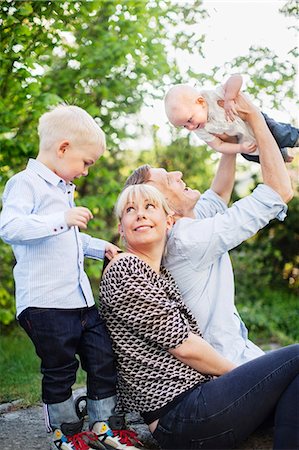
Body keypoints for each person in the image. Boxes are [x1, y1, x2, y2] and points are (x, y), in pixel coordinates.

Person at [99, 182, 299, 450]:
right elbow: (184, 345)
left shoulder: (161, 274)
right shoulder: (126, 267)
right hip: (181, 414)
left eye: (150, 207)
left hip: (198, 407)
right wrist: (243, 377)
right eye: (130, 210)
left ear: (169, 221)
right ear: (122, 229)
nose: (141, 214)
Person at [0, 105, 137, 450]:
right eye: (86, 162)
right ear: (63, 148)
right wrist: (62, 218)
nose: (86, 171)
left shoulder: (63, 188)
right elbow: (10, 227)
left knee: (102, 356)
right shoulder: (25, 183)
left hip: (79, 301)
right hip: (45, 304)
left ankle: (104, 425)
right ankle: (66, 434)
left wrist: (97, 246)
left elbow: (68, 237)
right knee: (60, 369)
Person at [124, 93, 293, 365]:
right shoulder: (188, 240)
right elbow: (279, 191)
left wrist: (231, 145)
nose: (178, 174)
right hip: (228, 364)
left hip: (239, 350)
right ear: (165, 204)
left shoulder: (186, 223)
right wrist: (255, 119)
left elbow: (218, 193)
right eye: (169, 179)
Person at [164, 74, 299, 163]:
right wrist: (240, 148)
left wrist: (229, 98)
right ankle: (281, 156)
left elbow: (236, 78)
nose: (190, 127)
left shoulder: (215, 96)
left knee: (279, 133)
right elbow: (219, 145)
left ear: (200, 102)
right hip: (244, 140)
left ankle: (296, 139)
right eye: (184, 126)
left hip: (256, 122)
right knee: (254, 155)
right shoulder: (200, 129)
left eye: (189, 120)